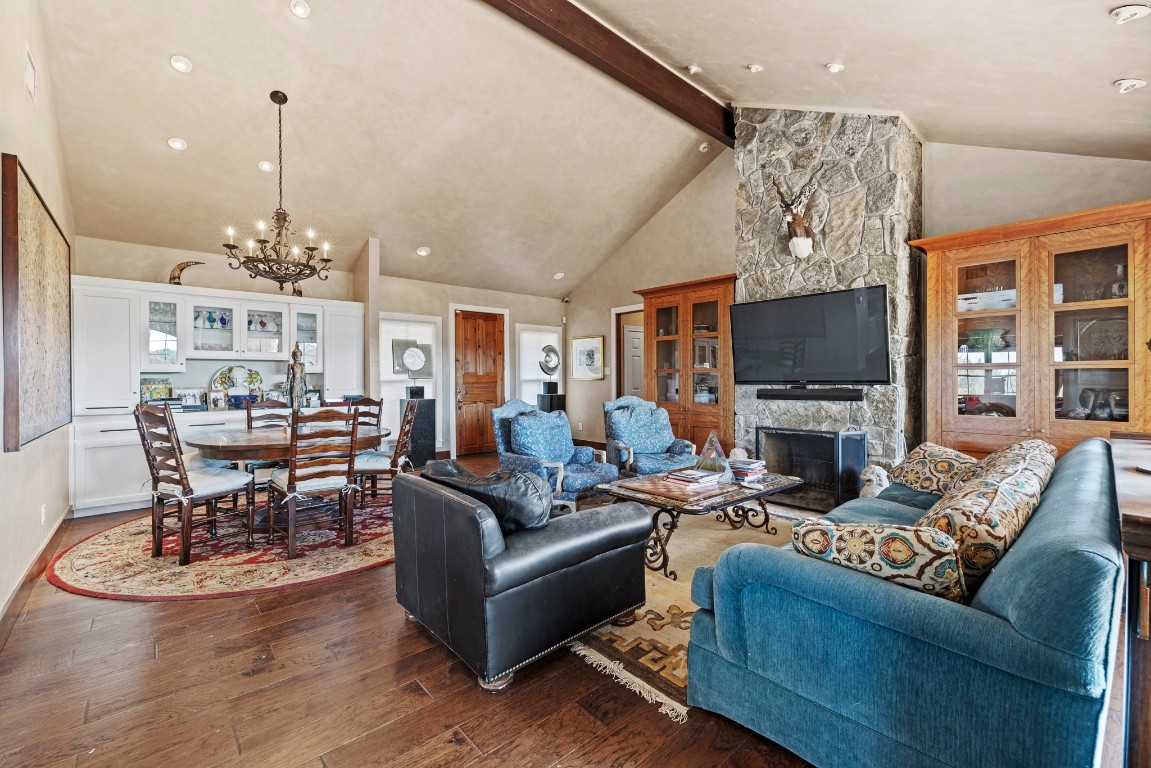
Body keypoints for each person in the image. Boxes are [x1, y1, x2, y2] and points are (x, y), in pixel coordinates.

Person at [285, 342, 307, 411]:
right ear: (293, 356)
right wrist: (287, 384)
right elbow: (288, 376)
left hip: (300, 382)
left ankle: (299, 411)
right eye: (296, 355)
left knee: (300, 396)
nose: (297, 356)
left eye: (299, 355)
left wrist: (305, 385)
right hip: (293, 382)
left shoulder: (302, 365)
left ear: (301, 356)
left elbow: (303, 375)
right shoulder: (291, 365)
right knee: (293, 396)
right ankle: (294, 411)